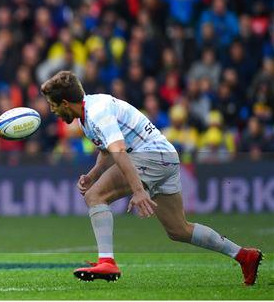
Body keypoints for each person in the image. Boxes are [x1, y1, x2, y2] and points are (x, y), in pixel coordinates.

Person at [40, 71, 262, 285]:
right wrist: (92, 175)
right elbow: (107, 149)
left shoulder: (97, 113)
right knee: (178, 230)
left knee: (95, 196)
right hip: (165, 156)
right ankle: (244, 256)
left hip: (150, 156)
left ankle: (106, 261)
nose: (53, 110)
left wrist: (138, 190)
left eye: (53, 105)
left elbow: (119, 151)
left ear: (66, 103)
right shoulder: (88, 113)